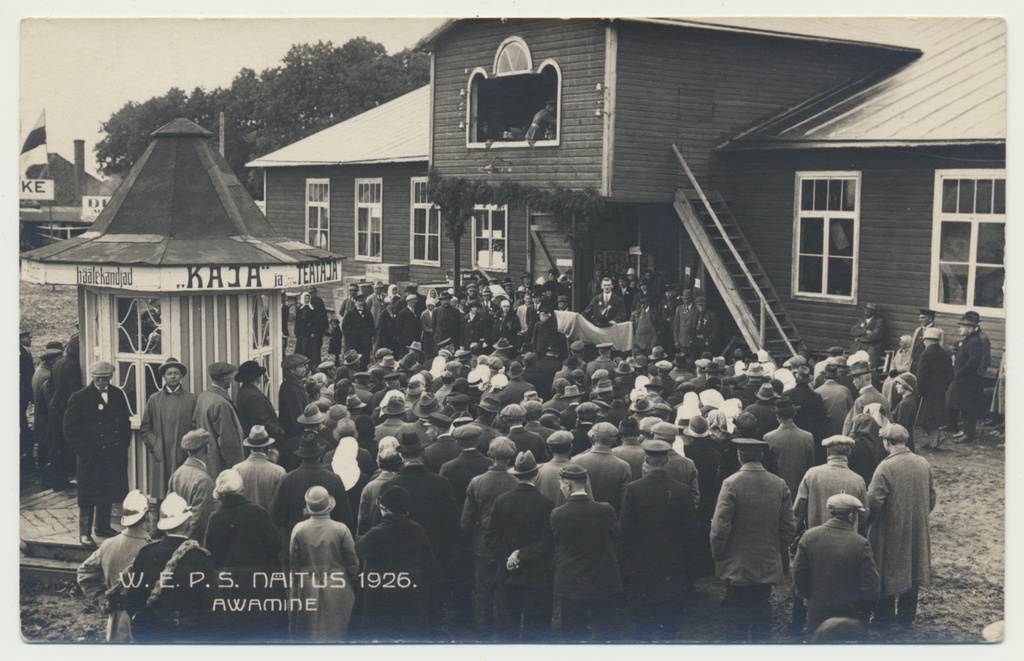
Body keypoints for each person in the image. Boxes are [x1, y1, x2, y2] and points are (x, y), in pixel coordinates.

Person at [710, 437, 796, 643]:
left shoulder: (731, 483)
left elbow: (720, 526)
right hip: (766, 560)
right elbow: (789, 526)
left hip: (736, 563)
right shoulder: (779, 484)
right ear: (762, 456)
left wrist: (718, 553)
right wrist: (777, 548)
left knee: (736, 614)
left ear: (740, 457)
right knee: (762, 610)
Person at [618, 439, 699, 641]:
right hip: (672, 559)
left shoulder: (633, 489)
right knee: (669, 615)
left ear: (646, 460)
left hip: (641, 560)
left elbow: (625, 530)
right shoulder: (682, 490)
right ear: (665, 461)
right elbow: (691, 531)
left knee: (643, 615)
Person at [124, 493, 219, 643]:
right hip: (191, 634)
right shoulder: (200, 557)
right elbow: (212, 602)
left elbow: (133, 600)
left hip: (155, 632)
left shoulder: (147, 553)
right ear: (187, 522)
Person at [203, 469, 286, 641]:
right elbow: (276, 545)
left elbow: (210, 554)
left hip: (229, 585)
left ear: (220, 493)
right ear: (241, 489)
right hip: (259, 583)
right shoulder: (258, 512)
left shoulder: (215, 519)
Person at [867, 423, 936, 631]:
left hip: (891, 529)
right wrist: (920, 515)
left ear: (887, 442)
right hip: (917, 528)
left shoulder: (885, 467)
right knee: (913, 567)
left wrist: (868, 521)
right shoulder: (923, 463)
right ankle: (906, 617)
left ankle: (882, 619)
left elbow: (873, 501)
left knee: (887, 568)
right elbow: (931, 495)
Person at [485, 451, 556, 642]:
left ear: (516, 475)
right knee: (537, 632)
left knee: (507, 630)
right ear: (535, 474)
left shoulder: (502, 501)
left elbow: (490, 538)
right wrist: (521, 555)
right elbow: (548, 542)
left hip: (508, 574)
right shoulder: (546, 504)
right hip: (536, 576)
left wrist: (509, 557)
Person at [63, 361, 133, 547]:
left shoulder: (118, 394)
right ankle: (84, 533)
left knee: (107, 490)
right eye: (98, 379)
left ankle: (102, 527)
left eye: (105, 378)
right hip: (90, 457)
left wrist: (122, 446)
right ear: (92, 377)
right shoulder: (79, 397)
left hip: (113, 455)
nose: (102, 382)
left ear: (111, 377)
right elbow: (70, 428)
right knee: (88, 494)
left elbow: (125, 422)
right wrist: (84, 452)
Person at [550, 463, 623, 642]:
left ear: (567, 485)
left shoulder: (558, 514)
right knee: (607, 632)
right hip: (603, 577)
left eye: (561, 484)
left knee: (573, 634)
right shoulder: (605, 509)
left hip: (572, 580)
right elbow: (615, 535)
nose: (561, 488)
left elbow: (557, 542)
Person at [793, 493, 880, 640]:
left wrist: (812, 598)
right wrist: (864, 612)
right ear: (851, 515)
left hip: (817, 614)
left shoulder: (809, 536)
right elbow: (870, 586)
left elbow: (799, 574)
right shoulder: (861, 543)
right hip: (850, 619)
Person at [356, 485, 436, 641]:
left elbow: (359, 549)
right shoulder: (417, 529)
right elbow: (429, 560)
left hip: (380, 592)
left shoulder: (376, 533)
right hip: (408, 592)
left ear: (385, 509)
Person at [76, 490, 152, 642]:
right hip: (145, 620)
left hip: (116, 620)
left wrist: (102, 600)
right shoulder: (152, 549)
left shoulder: (108, 544)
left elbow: (84, 573)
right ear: (147, 517)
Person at [462, 437, 520, 630]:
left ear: (490, 455)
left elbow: (466, 522)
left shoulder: (476, 482)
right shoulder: (517, 483)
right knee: (506, 596)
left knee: (483, 595)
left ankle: (483, 633)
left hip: (482, 545)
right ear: (511, 457)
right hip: (509, 546)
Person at [288, 485, 359, 642]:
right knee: (339, 634)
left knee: (311, 636)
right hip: (338, 588)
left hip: (308, 588)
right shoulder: (341, 529)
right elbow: (352, 563)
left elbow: (294, 565)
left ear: (308, 507)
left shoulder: (299, 529)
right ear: (329, 506)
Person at [269, 433, 354, 561]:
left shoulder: (287, 479)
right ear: (319, 455)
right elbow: (346, 515)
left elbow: (275, 515)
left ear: (300, 457)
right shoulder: (333, 479)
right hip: (328, 544)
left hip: (295, 543)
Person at [138, 357, 197, 501]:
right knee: (162, 493)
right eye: (169, 373)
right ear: (164, 376)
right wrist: (155, 444)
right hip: (161, 452)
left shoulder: (191, 399)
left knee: (182, 491)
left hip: (182, 453)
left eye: (176, 373)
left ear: (181, 376)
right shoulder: (154, 399)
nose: (172, 376)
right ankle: (160, 521)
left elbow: (196, 426)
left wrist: (190, 448)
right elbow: (145, 426)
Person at [192, 361, 245, 479]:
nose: (232, 378)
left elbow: (194, 422)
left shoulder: (203, 396)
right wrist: (236, 466)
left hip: (207, 458)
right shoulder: (220, 402)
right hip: (220, 462)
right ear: (225, 378)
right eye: (231, 375)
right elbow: (227, 439)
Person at [571, 422, 631, 516]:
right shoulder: (623, 466)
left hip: (581, 516)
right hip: (610, 517)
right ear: (614, 439)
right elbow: (623, 500)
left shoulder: (576, 461)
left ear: (593, 438)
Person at [947, 311, 989, 444]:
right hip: (963, 379)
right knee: (963, 406)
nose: (960, 329)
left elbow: (973, 362)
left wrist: (961, 372)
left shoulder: (975, 342)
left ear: (970, 328)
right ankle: (965, 431)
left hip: (968, 380)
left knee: (969, 407)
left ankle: (968, 434)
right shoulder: (969, 340)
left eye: (962, 327)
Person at [168, 430, 217, 541]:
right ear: (207, 449)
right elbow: (198, 520)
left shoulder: (177, 474)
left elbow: (169, 510)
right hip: (193, 543)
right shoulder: (204, 480)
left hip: (178, 538)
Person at [915, 328, 953, 448]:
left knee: (923, 418)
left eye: (925, 340)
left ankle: (935, 441)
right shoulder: (945, 354)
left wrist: (920, 390)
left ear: (929, 340)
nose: (924, 343)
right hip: (940, 390)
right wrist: (944, 385)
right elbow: (951, 374)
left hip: (927, 391)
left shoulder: (926, 354)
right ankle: (934, 441)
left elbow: (921, 375)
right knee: (934, 417)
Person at [232, 425, 285, 511]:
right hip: (268, 521)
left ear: (249, 447)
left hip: (243, 520)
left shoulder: (236, 470)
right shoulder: (279, 472)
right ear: (268, 447)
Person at [234, 360, 288, 443]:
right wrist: (282, 433)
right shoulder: (252, 396)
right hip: (262, 439)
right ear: (257, 377)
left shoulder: (246, 390)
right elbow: (262, 421)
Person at [278, 353, 311, 442]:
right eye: (301, 367)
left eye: (304, 366)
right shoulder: (290, 389)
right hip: (295, 436)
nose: (304, 369)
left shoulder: (295, 384)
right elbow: (296, 417)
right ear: (292, 370)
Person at [850, 303, 886, 367]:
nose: (866, 313)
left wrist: (858, 338)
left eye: (868, 312)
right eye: (865, 311)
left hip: (871, 347)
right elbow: (853, 331)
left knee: (870, 365)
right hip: (859, 346)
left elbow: (874, 336)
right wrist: (865, 331)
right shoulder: (862, 320)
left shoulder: (879, 321)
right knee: (855, 363)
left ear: (873, 313)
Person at [909, 308, 943, 375]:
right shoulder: (918, 330)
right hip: (915, 365)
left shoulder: (939, 332)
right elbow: (912, 348)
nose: (920, 320)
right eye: (919, 318)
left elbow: (940, 352)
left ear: (930, 319)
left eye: (923, 318)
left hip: (928, 367)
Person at [20, 330, 35, 472]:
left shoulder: (25, 351)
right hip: (21, 392)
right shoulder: (20, 353)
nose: (30, 339)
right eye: (27, 337)